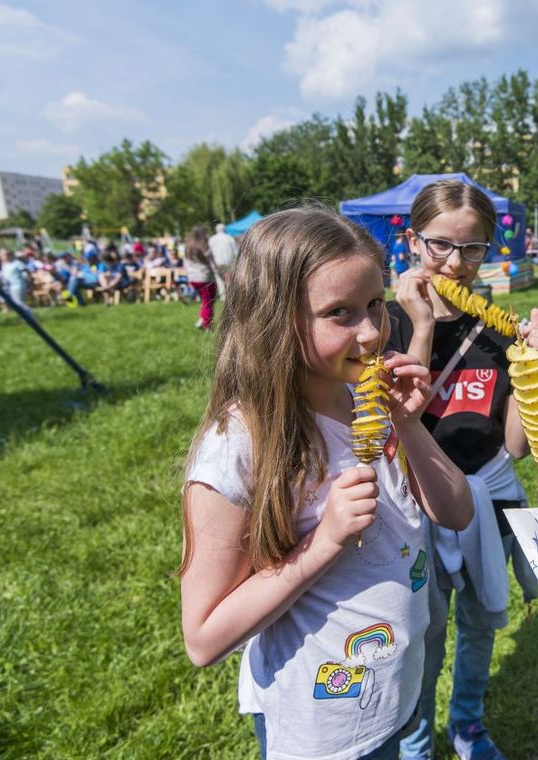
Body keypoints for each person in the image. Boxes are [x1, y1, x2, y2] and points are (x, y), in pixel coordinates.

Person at [179, 206, 473, 760]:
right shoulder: (239, 447)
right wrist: (325, 541)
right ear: (274, 321)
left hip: (391, 701)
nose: (370, 332)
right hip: (320, 731)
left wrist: (409, 423)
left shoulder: (370, 399)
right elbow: (203, 637)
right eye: (339, 313)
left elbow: (455, 513)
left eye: (374, 305)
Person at [389, 179, 538, 760]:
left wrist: (536, 372)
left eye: (473, 249)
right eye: (440, 246)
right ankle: (415, 743)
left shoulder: (499, 330)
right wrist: (424, 326)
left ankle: (466, 724)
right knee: (424, 633)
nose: (455, 265)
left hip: (487, 487)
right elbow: (394, 423)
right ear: (412, 242)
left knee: (481, 624)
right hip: (418, 498)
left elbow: (514, 446)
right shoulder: (383, 323)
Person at [183, 225, 221, 330]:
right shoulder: (204, 246)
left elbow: (185, 263)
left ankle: (201, 321)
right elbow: (212, 263)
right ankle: (207, 326)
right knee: (209, 302)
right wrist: (220, 275)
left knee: (204, 301)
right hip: (205, 278)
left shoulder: (188, 247)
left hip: (193, 279)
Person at [208, 222, 239, 287]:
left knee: (220, 282)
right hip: (228, 263)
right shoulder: (230, 238)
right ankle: (229, 295)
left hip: (216, 263)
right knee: (229, 281)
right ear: (224, 229)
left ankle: (223, 296)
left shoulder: (211, 239)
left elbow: (209, 253)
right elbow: (236, 252)